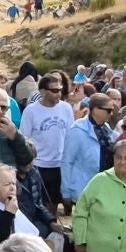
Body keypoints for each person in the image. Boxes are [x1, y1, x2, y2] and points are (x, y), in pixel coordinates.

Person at [19, 73, 75, 212]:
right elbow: (24, 138)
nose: (58, 94)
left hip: (59, 165)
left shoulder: (66, 108)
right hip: (38, 166)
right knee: (38, 206)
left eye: (60, 90)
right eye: (54, 90)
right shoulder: (31, 111)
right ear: (43, 91)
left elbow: (70, 135)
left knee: (53, 206)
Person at [61, 88, 118, 209]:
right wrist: (66, 192)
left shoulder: (106, 128)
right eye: (108, 110)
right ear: (95, 110)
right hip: (84, 190)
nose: (111, 113)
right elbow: (67, 162)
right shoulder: (77, 131)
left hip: (105, 188)